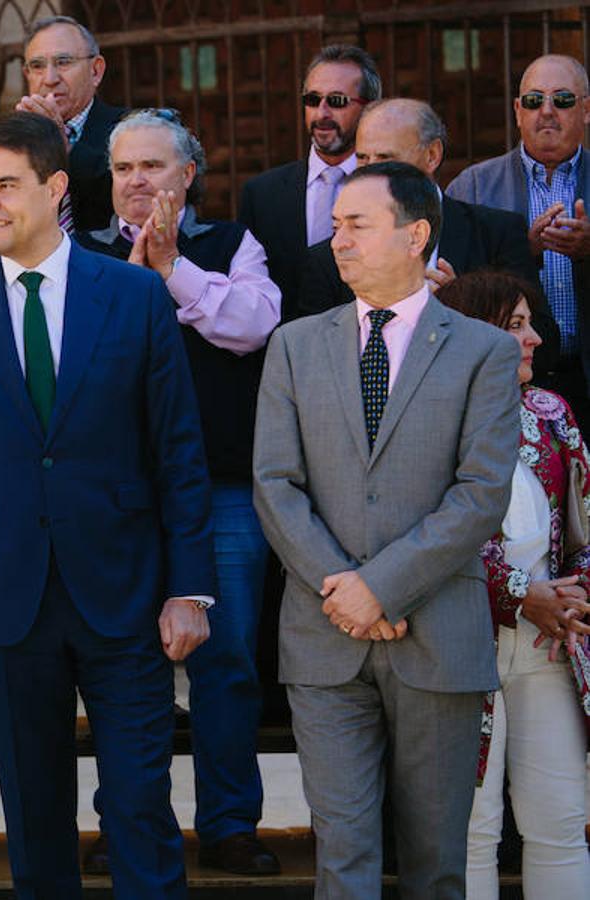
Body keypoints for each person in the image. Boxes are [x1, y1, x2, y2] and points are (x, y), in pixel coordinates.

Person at [0, 112, 216, 898]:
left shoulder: (135, 294)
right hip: (5, 604)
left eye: (5, 185)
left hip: (127, 598)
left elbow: (178, 450)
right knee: (35, 820)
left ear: (55, 189)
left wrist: (189, 588)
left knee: (139, 809)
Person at [252, 162, 521, 898]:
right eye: (335, 224)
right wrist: (344, 590)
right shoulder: (295, 345)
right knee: (343, 859)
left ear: (417, 233)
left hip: (437, 637)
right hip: (322, 635)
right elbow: (275, 484)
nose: (336, 241)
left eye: (356, 224)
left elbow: (480, 493)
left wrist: (383, 587)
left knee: (436, 865)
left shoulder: (484, 352)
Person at [75, 108, 282, 877]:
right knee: (120, 664)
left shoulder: (231, 245)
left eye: (152, 167)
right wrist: (132, 275)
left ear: (187, 176)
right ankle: (128, 823)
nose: (135, 181)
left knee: (225, 661)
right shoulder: (79, 252)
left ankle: (229, 824)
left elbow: (256, 324)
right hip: (114, 498)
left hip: (221, 493)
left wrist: (171, 270)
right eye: (124, 168)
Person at [431, 271, 590, 900]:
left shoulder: (552, 413)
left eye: (531, 324)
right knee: (469, 830)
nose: (534, 339)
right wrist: (523, 591)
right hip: (462, 643)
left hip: (550, 644)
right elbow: (438, 528)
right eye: (516, 325)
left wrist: (577, 595)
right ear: (472, 333)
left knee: (560, 822)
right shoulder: (427, 416)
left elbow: (585, 518)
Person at [298, 100, 557, 373]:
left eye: (385, 159)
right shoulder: (330, 257)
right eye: (362, 159)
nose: (370, 173)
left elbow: (545, 343)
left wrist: (464, 306)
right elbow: (311, 363)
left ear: (432, 155)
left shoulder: (496, 233)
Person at [447, 54, 590, 424]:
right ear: (517, 111)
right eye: (533, 100)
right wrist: (519, 253)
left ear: (586, 110)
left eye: (561, 100)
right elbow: (454, 289)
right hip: (508, 384)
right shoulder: (472, 186)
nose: (546, 111)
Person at [0, 15, 127, 267]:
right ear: (26, 74)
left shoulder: (130, 128)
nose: (50, 78)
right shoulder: (11, 142)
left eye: (63, 62)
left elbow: (122, 212)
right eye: (37, 66)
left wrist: (60, 148)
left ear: (96, 70)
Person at [239, 44, 381, 321]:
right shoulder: (262, 194)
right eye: (312, 100)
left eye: (337, 101)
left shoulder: (387, 190)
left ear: (369, 108)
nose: (322, 113)